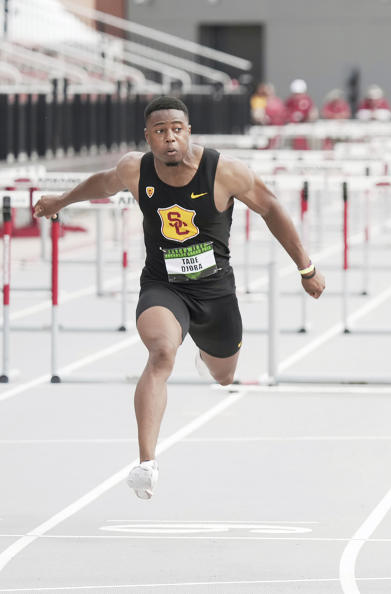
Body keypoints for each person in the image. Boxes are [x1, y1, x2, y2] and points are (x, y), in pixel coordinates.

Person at [33, 96, 326, 499]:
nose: (169, 139)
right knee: (160, 354)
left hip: (216, 291)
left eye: (176, 129)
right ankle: (146, 463)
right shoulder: (135, 169)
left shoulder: (224, 171)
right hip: (163, 286)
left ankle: (206, 354)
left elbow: (271, 208)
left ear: (188, 131)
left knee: (224, 375)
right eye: (160, 132)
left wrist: (306, 268)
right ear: (148, 137)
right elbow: (102, 183)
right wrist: (60, 201)